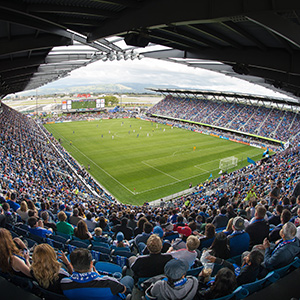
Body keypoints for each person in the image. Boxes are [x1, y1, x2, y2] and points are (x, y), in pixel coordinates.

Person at [61, 248, 133, 299]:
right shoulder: (108, 282)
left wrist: (67, 264)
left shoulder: (64, 283)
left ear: (72, 265)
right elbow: (123, 290)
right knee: (127, 279)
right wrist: (99, 276)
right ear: (91, 264)